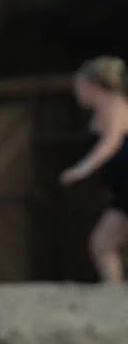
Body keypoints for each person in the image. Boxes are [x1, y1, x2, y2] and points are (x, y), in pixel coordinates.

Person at [60, 56, 128, 283]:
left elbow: (111, 143)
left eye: (79, 86)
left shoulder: (116, 107)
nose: (76, 92)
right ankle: (114, 299)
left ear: (94, 86)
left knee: (104, 244)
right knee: (102, 244)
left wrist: (82, 169)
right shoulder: (99, 112)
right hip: (122, 194)